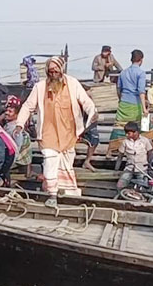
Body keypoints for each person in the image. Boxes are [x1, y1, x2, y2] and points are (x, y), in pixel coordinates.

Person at [16, 56, 96, 206]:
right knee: (49, 161)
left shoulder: (72, 84)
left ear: (61, 70)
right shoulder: (40, 87)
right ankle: (52, 195)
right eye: (50, 71)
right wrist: (20, 124)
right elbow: (28, 106)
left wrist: (91, 114)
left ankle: (65, 192)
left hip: (69, 133)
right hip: (48, 133)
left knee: (66, 164)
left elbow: (86, 102)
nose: (53, 74)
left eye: (56, 71)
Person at [108, 49, 147, 154]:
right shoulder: (141, 73)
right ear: (141, 60)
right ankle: (148, 146)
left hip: (124, 102)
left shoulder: (123, 72)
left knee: (119, 125)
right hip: (136, 103)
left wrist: (121, 100)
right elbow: (141, 91)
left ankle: (111, 149)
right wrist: (144, 108)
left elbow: (118, 89)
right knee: (144, 125)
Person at [115, 121, 153, 190]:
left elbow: (150, 152)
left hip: (142, 168)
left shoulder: (145, 141)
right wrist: (116, 168)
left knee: (143, 187)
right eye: (126, 133)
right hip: (129, 168)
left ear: (136, 132)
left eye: (128, 133)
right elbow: (120, 155)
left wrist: (149, 165)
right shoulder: (125, 142)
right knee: (119, 185)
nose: (126, 135)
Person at [3, 97, 32, 176]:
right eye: (6, 110)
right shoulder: (8, 126)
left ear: (17, 115)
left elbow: (16, 149)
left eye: (10, 111)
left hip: (17, 160)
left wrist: (8, 163)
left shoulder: (16, 129)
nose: (6, 113)